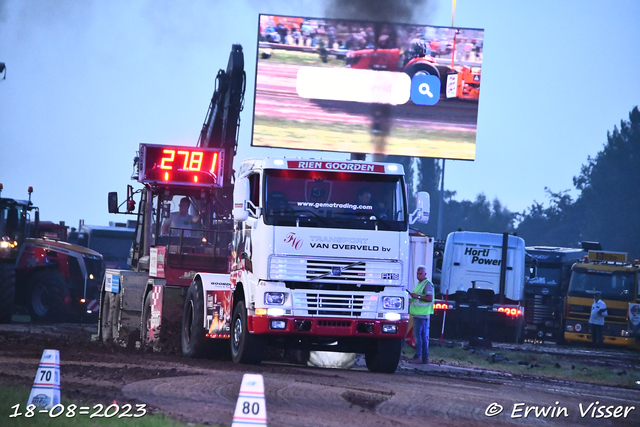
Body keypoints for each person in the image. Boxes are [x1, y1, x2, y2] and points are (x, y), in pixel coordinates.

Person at [408, 265, 434, 364]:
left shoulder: (427, 284)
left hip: (421, 315)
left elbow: (429, 298)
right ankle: (424, 358)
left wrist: (416, 296)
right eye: (417, 274)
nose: (418, 276)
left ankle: (418, 356)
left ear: (425, 274)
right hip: (419, 314)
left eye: (420, 274)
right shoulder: (421, 284)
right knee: (422, 336)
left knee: (418, 336)